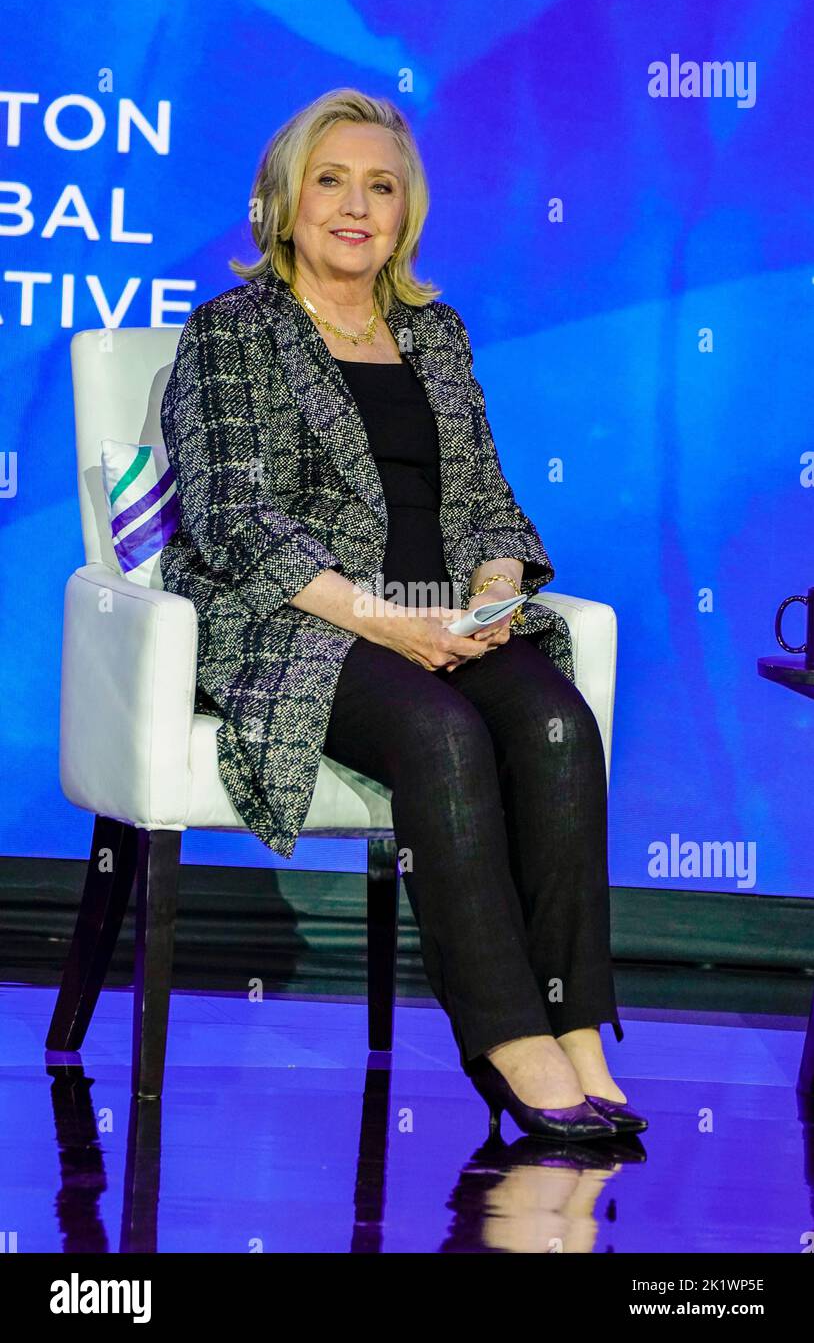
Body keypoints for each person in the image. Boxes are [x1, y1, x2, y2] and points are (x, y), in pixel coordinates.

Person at [160, 87, 647, 1141]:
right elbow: (235, 517)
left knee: (559, 722)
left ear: (405, 214)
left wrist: (491, 590)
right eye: (330, 180)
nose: (355, 204)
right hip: (303, 624)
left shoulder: (434, 332)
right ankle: (506, 1033)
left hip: (442, 614)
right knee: (439, 733)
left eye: (381, 186)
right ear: (284, 204)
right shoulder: (229, 333)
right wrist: (382, 620)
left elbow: (483, 495)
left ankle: (575, 1025)